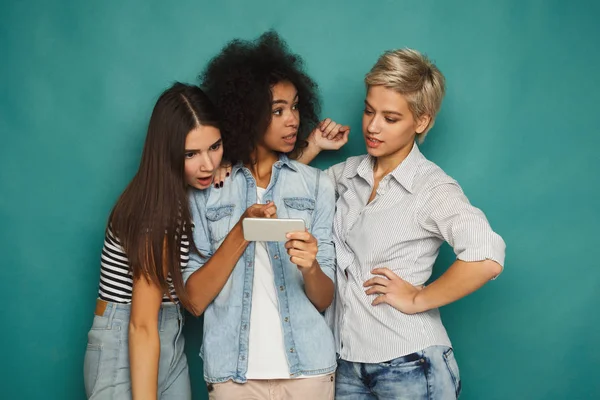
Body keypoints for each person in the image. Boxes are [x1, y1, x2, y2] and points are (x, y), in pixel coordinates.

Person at [299, 48, 506, 399]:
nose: (373, 126)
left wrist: (418, 298)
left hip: (411, 363)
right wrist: (313, 147)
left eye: (390, 118)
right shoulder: (348, 174)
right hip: (346, 363)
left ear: (421, 121)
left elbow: (487, 257)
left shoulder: (433, 187)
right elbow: (288, 192)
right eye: (368, 111)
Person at [183, 31, 338, 400]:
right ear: (247, 113)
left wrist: (310, 267)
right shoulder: (208, 190)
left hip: (310, 372)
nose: (293, 121)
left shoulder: (317, 186)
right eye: (278, 110)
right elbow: (193, 300)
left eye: (296, 106)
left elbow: (324, 298)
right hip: (234, 377)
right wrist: (242, 231)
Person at [83, 82, 223, 399]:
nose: (208, 164)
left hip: (168, 333)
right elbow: (142, 325)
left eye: (214, 147)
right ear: (168, 153)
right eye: (192, 153)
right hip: (128, 336)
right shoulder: (157, 211)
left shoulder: (181, 190)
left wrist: (307, 150)